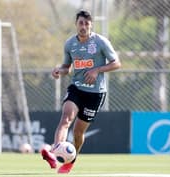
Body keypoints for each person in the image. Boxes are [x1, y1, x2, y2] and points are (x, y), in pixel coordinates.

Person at [41, 9, 121, 174]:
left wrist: (97, 70)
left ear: (91, 25)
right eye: (80, 23)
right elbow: (67, 67)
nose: (83, 26)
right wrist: (59, 71)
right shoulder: (70, 44)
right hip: (76, 88)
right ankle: (54, 154)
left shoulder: (100, 42)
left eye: (86, 23)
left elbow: (116, 63)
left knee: (78, 132)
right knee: (65, 118)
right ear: (76, 24)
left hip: (95, 93)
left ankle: (71, 161)